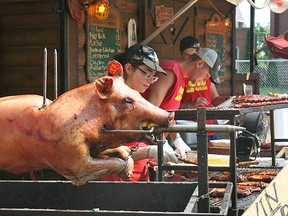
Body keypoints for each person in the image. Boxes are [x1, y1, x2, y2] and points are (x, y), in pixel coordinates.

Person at [102, 44, 179, 182]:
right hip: (118, 179)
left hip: (141, 176)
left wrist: (159, 155)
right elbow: (107, 150)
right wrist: (150, 151)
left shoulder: (138, 100)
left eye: (153, 76)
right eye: (147, 74)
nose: (150, 81)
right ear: (129, 68)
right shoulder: (112, 101)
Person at [142, 47, 222, 155]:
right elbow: (150, 110)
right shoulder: (170, 71)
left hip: (155, 142)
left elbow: (167, 112)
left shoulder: (181, 79)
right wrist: (161, 141)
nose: (205, 79)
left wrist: (177, 138)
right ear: (200, 63)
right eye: (207, 75)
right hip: (144, 143)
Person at [179, 36, 228, 141]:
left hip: (210, 128)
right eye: (187, 55)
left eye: (194, 54)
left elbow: (215, 98)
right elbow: (169, 106)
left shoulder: (206, 74)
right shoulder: (179, 76)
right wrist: (190, 105)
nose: (190, 58)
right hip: (190, 130)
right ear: (181, 54)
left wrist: (229, 100)